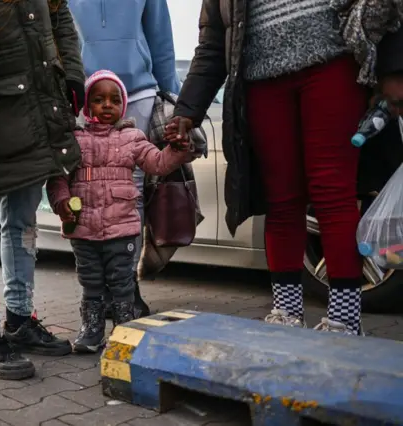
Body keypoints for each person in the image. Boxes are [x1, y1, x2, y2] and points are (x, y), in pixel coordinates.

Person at [166, 0, 403, 336]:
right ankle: (286, 313)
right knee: (280, 199)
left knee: (331, 192)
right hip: (262, 80)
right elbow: (215, 40)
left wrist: (394, 70)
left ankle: (344, 319)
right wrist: (187, 109)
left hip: (333, 65)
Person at [0, 0, 85, 381]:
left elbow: (60, 18)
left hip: (36, 107)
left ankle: (19, 318)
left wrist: (73, 75)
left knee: (23, 221)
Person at [46, 70, 192, 353]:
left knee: (122, 281)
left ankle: (125, 328)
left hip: (122, 228)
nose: (107, 105)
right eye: (99, 100)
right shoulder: (75, 140)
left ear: (123, 105)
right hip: (84, 229)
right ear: (88, 106)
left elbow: (158, 163)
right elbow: (59, 177)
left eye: (114, 100)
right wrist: (61, 201)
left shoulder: (132, 137)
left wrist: (177, 150)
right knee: (90, 282)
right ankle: (92, 330)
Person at [69, 0, 181, 318]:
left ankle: (126, 285)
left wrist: (173, 98)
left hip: (137, 94)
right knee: (85, 188)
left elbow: (161, 41)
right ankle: (97, 288)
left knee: (131, 192)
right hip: (85, 94)